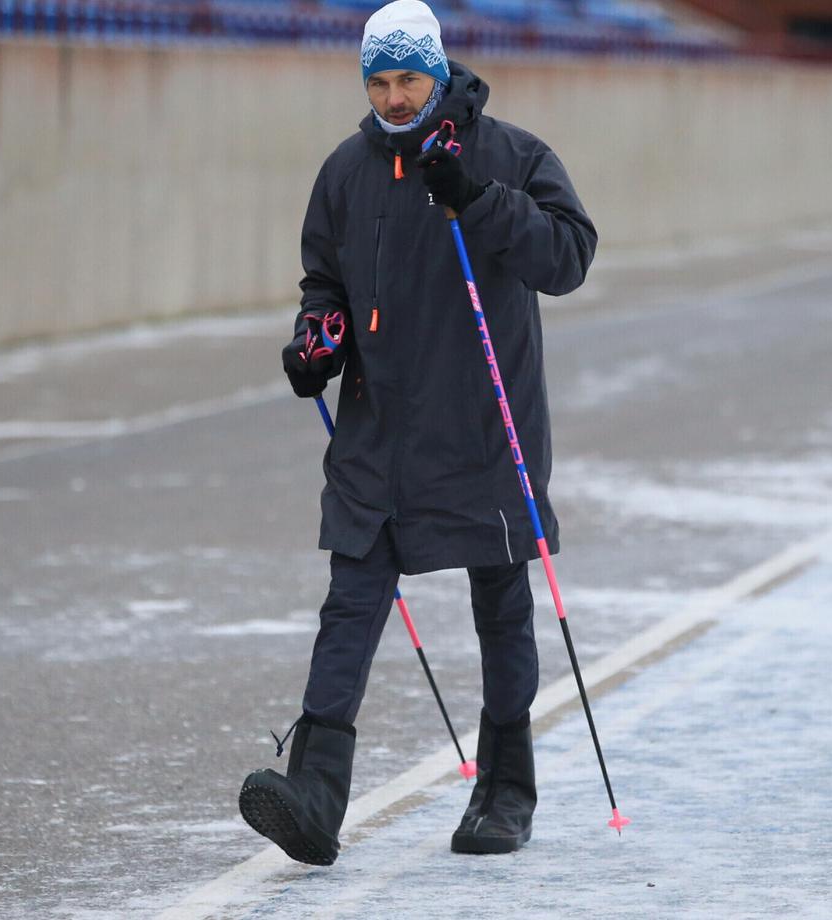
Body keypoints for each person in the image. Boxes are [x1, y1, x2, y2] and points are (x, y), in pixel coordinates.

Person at [238, 0, 596, 864]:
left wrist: (475, 200)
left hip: (483, 426)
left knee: (500, 603)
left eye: (410, 80)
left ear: (439, 73)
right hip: (377, 433)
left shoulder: (510, 154)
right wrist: (314, 341)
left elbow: (569, 256)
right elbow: (324, 277)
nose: (395, 98)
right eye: (380, 81)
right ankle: (318, 792)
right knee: (351, 596)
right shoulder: (346, 169)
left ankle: (505, 789)